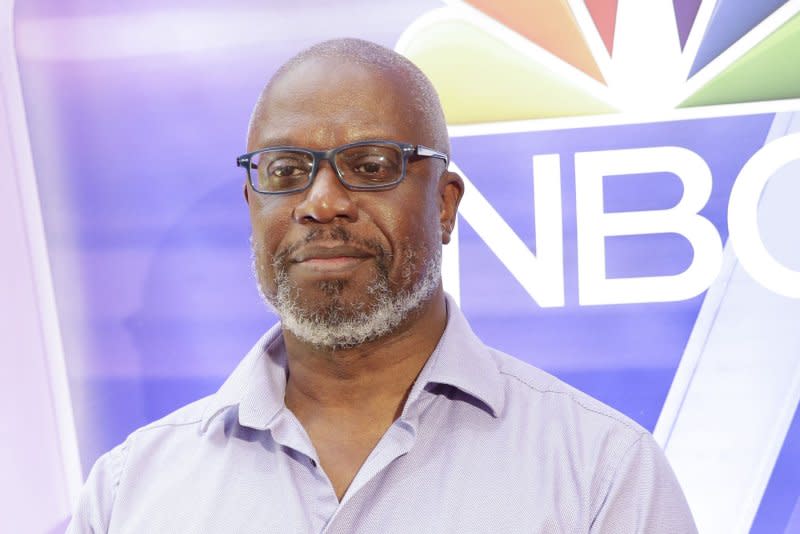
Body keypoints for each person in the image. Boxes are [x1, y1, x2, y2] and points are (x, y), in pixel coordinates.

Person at [67, 38, 697, 533]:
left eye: (370, 166)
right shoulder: (130, 492)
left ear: (445, 206)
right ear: (251, 206)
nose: (321, 202)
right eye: (285, 171)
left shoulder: (600, 472)